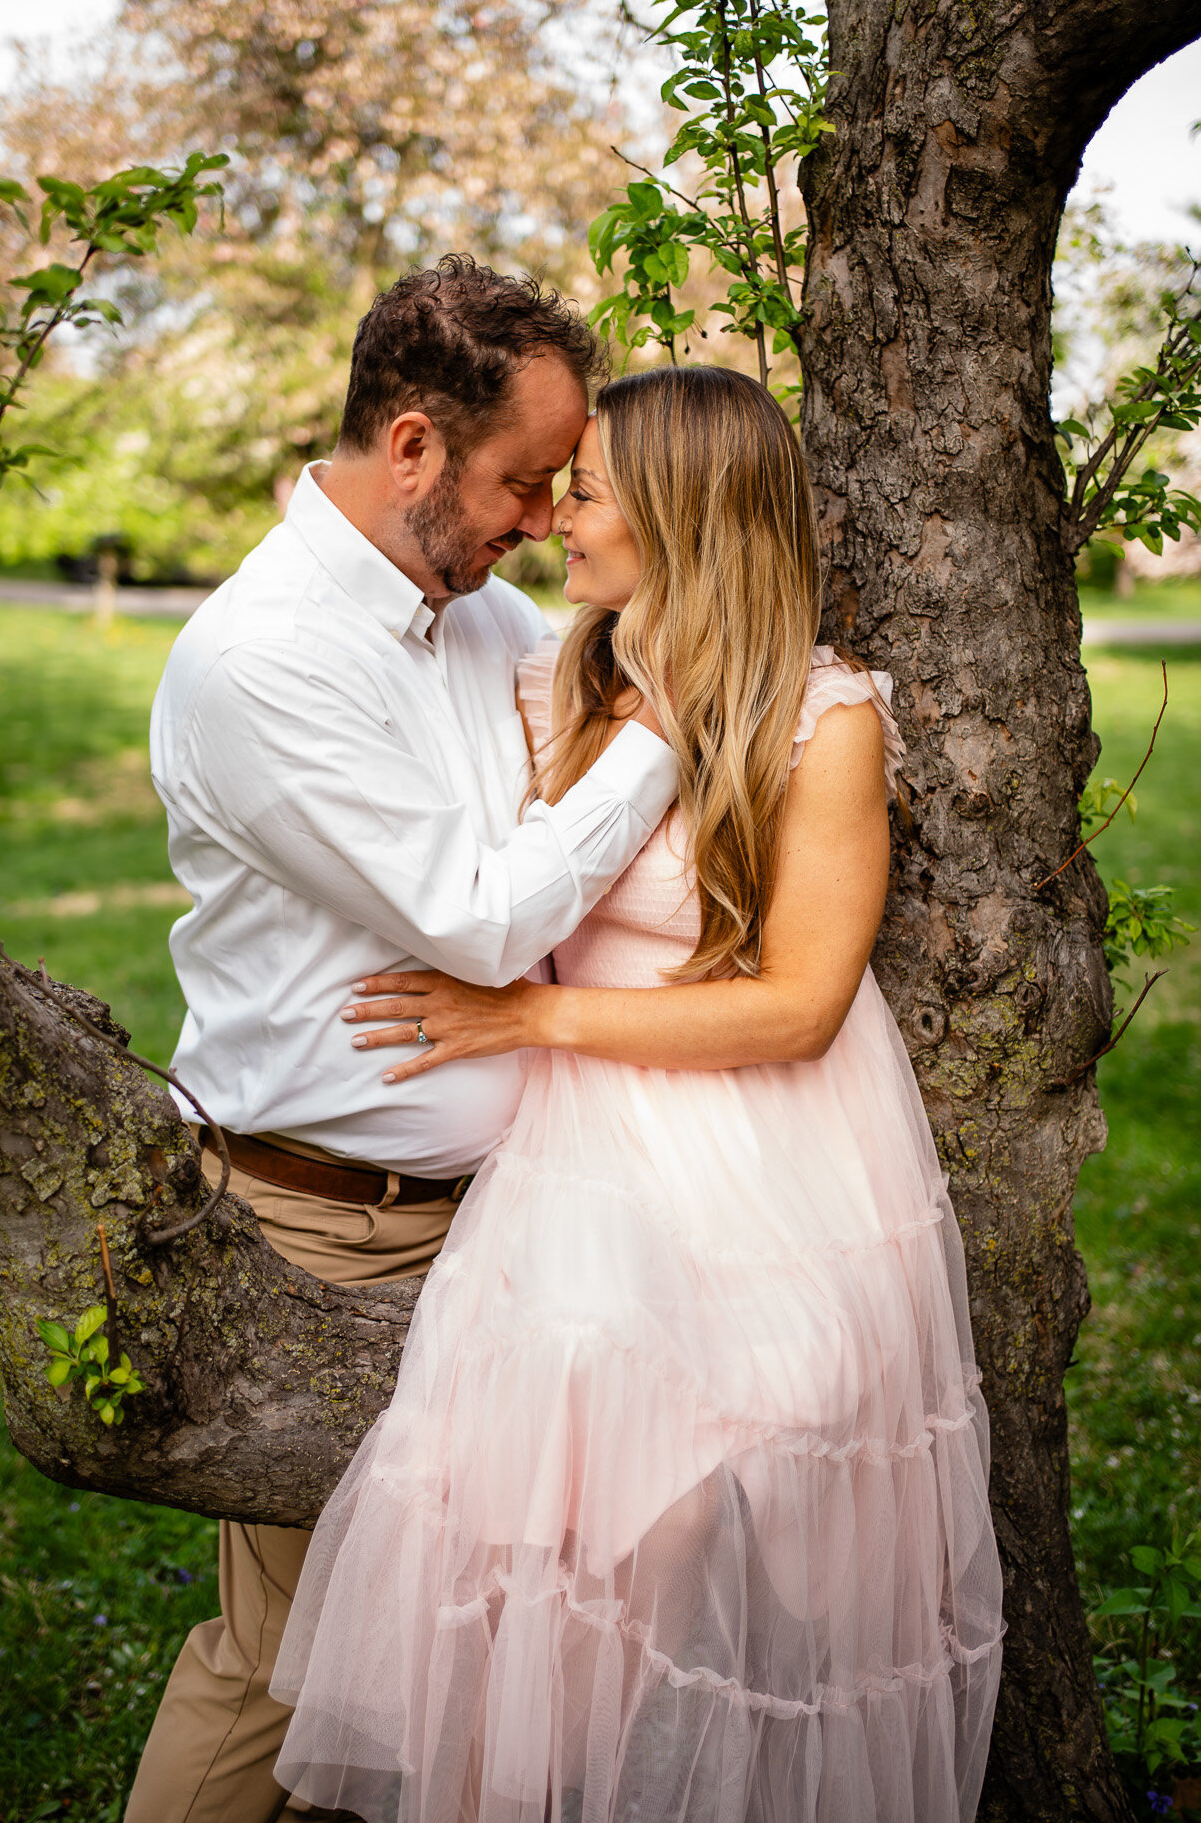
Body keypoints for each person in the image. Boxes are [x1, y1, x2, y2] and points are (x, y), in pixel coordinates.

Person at [271, 366, 1005, 1823]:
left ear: (678, 517)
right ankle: (534, 1773)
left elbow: (798, 1007)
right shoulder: (558, 674)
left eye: (588, 492)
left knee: (705, 1486)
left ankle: (661, 1774)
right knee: (533, 1496)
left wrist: (528, 1012)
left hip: (768, 1148)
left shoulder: (818, 712)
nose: (554, 523)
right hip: (584, 1140)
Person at [128, 259, 684, 1823]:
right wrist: (661, 729)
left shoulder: (478, 614)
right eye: (522, 482)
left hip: (510, 1227)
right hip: (327, 1230)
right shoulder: (265, 661)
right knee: (290, 1652)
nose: (538, 518)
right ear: (418, 445)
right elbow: (484, 920)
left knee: (459, 1642)